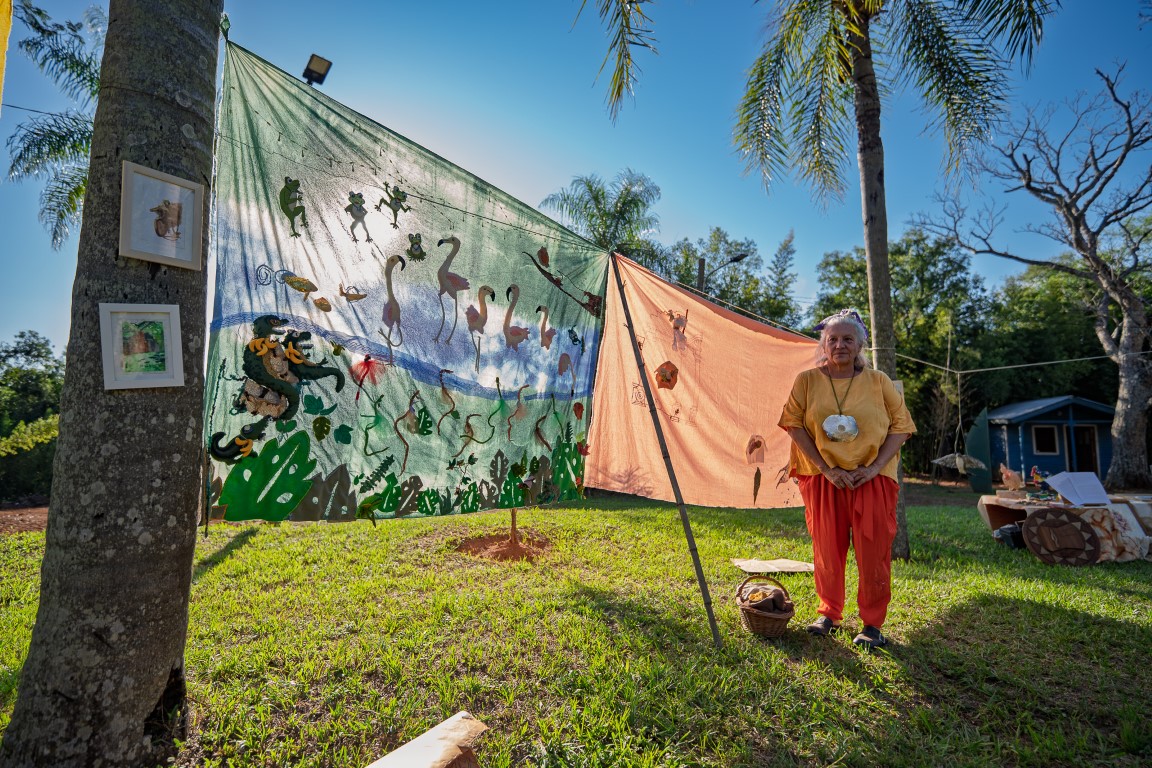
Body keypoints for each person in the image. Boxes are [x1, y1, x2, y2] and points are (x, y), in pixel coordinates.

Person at [777, 309, 916, 649]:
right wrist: (828, 469)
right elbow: (792, 423)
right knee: (826, 547)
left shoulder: (878, 381)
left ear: (860, 345)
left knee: (873, 549)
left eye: (847, 339)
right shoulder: (807, 380)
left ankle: (872, 624)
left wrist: (872, 467)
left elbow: (902, 426)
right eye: (833, 339)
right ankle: (829, 612)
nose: (840, 345)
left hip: (872, 476)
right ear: (823, 345)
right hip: (823, 476)